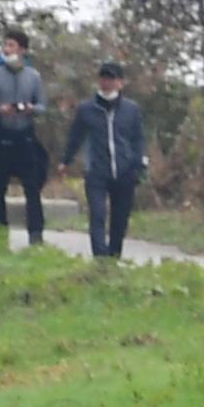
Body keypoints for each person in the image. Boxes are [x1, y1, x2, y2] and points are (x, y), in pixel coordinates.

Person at [64, 59, 150, 259]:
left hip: (125, 170)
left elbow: (138, 139)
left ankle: (114, 256)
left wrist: (138, 165)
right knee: (98, 214)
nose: (107, 83)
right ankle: (100, 259)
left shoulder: (131, 109)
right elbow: (76, 136)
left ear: (121, 82)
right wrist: (65, 160)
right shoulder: (87, 108)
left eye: (112, 79)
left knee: (120, 219)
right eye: (104, 78)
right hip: (96, 170)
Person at [0, 27, 49, 243]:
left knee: (32, 187)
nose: (7, 50)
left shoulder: (33, 77)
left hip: (24, 137)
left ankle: (36, 235)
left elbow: (43, 105)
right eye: (5, 45)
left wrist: (31, 109)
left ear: (23, 50)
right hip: (0, 137)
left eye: (12, 45)